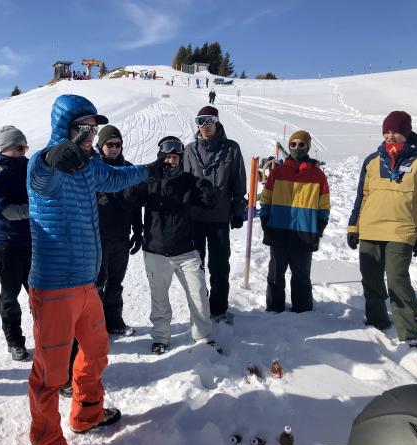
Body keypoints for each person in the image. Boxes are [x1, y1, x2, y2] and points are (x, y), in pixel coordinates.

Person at [27, 94, 161, 445]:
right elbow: (39, 178)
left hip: (87, 283)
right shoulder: (48, 163)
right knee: (50, 372)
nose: (91, 136)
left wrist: (150, 170)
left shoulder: (89, 166)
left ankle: (87, 414)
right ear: (65, 128)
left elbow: (116, 178)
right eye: (83, 129)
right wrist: (49, 158)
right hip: (55, 287)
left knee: (97, 351)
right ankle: (47, 440)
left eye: (93, 129)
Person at [125, 136, 219, 355]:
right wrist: (138, 182)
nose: (171, 161)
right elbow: (131, 199)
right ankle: (161, 337)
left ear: (181, 159)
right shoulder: (150, 180)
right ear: (160, 158)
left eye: (175, 158)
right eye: (167, 157)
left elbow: (208, 203)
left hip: (186, 250)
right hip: (156, 250)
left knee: (198, 294)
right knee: (159, 298)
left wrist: (207, 190)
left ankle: (203, 337)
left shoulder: (189, 181)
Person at [347, 111, 417, 344]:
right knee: (371, 279)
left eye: (395, 131)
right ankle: (376, 321)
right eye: (386, 131)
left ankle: (410, 333)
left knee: (397, 279)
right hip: (370, 228)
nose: (389, 136)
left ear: (406, 132)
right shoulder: (372, 160)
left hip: (402, 229)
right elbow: (362, 195)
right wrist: (353, 227)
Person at [183, 106, 246, 321]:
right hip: (195, 218)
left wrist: (237, 211)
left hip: (220, 217)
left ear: (217, 122)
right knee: (195, 266)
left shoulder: (231, 149)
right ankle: (200, 307)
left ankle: (218, 309)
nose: (204, 125)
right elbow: (184, 183)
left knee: (219, 266)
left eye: (208, 120)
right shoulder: (190, 150)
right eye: (200, 121)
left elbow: (238, 182)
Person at [259, 130, 330, 313]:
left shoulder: (317, 175)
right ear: (289, 146)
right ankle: (274, 308)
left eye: (301, 144)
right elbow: (266, 199)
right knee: (275, 273)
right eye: (293, 144)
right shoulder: (277, 172)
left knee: (301, 275)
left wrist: (319, 226)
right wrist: (265, 220)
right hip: (278, 230)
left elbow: (324, 206)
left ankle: (303, 309)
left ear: (308, 147)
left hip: (304, 232)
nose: (297, 147)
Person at [0, 125, 31, 362]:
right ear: (6, 148)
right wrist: (36, 210)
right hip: (6, 245)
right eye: (19, 147)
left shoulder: (30, 167)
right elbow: (4, 211)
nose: (23, 152)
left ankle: (47, 334)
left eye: (25, 147)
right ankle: (15, 341)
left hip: (32, 242)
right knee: (10, 296)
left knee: (40, 293)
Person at [95, 125, 142, 336]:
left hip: (121, 237)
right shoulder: (94, 169)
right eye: (109, 145)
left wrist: (138, 231)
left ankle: (114, 321)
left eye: (117, 145)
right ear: (101, 145)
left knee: (116, 282)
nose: (114, 149)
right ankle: (95, 326)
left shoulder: (128, 169)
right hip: (97, 237)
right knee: (97, 283)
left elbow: (136, 205)